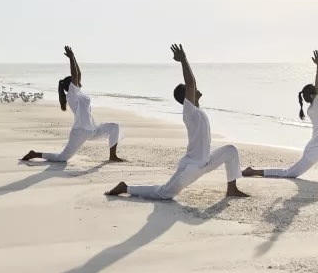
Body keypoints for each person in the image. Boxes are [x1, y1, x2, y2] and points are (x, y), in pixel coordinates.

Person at [106, 44, 248, 198]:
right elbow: (191, 83)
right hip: (191, 166)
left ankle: (232, 189)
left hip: (206, 161)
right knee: (165, 193)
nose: (195, 88)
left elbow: (193, 84)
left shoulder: (197, 110)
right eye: (191, 89)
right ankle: (126, 188)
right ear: (187, 95)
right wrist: (183, 60)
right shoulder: (189, 112)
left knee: (230, 151)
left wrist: (187, 69)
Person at [242, 51, 318, 180]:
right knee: (289, 173)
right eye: (316, 92)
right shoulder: (316, 108)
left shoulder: (316, 108)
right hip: (315, 150)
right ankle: (253, 171)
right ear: (313, 96)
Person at [21, 45, 124, 163]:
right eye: (76, 81)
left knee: (114, 127)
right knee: (62, 158)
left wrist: (74, 57)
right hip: (80, 131)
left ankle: (112, 156)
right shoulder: (72, 95)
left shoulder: (79, 93)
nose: (79, 81)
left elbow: (78, 74)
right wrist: (71, 59)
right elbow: (75, 75)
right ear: (71, 85)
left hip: (92, 129)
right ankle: (35, 154)